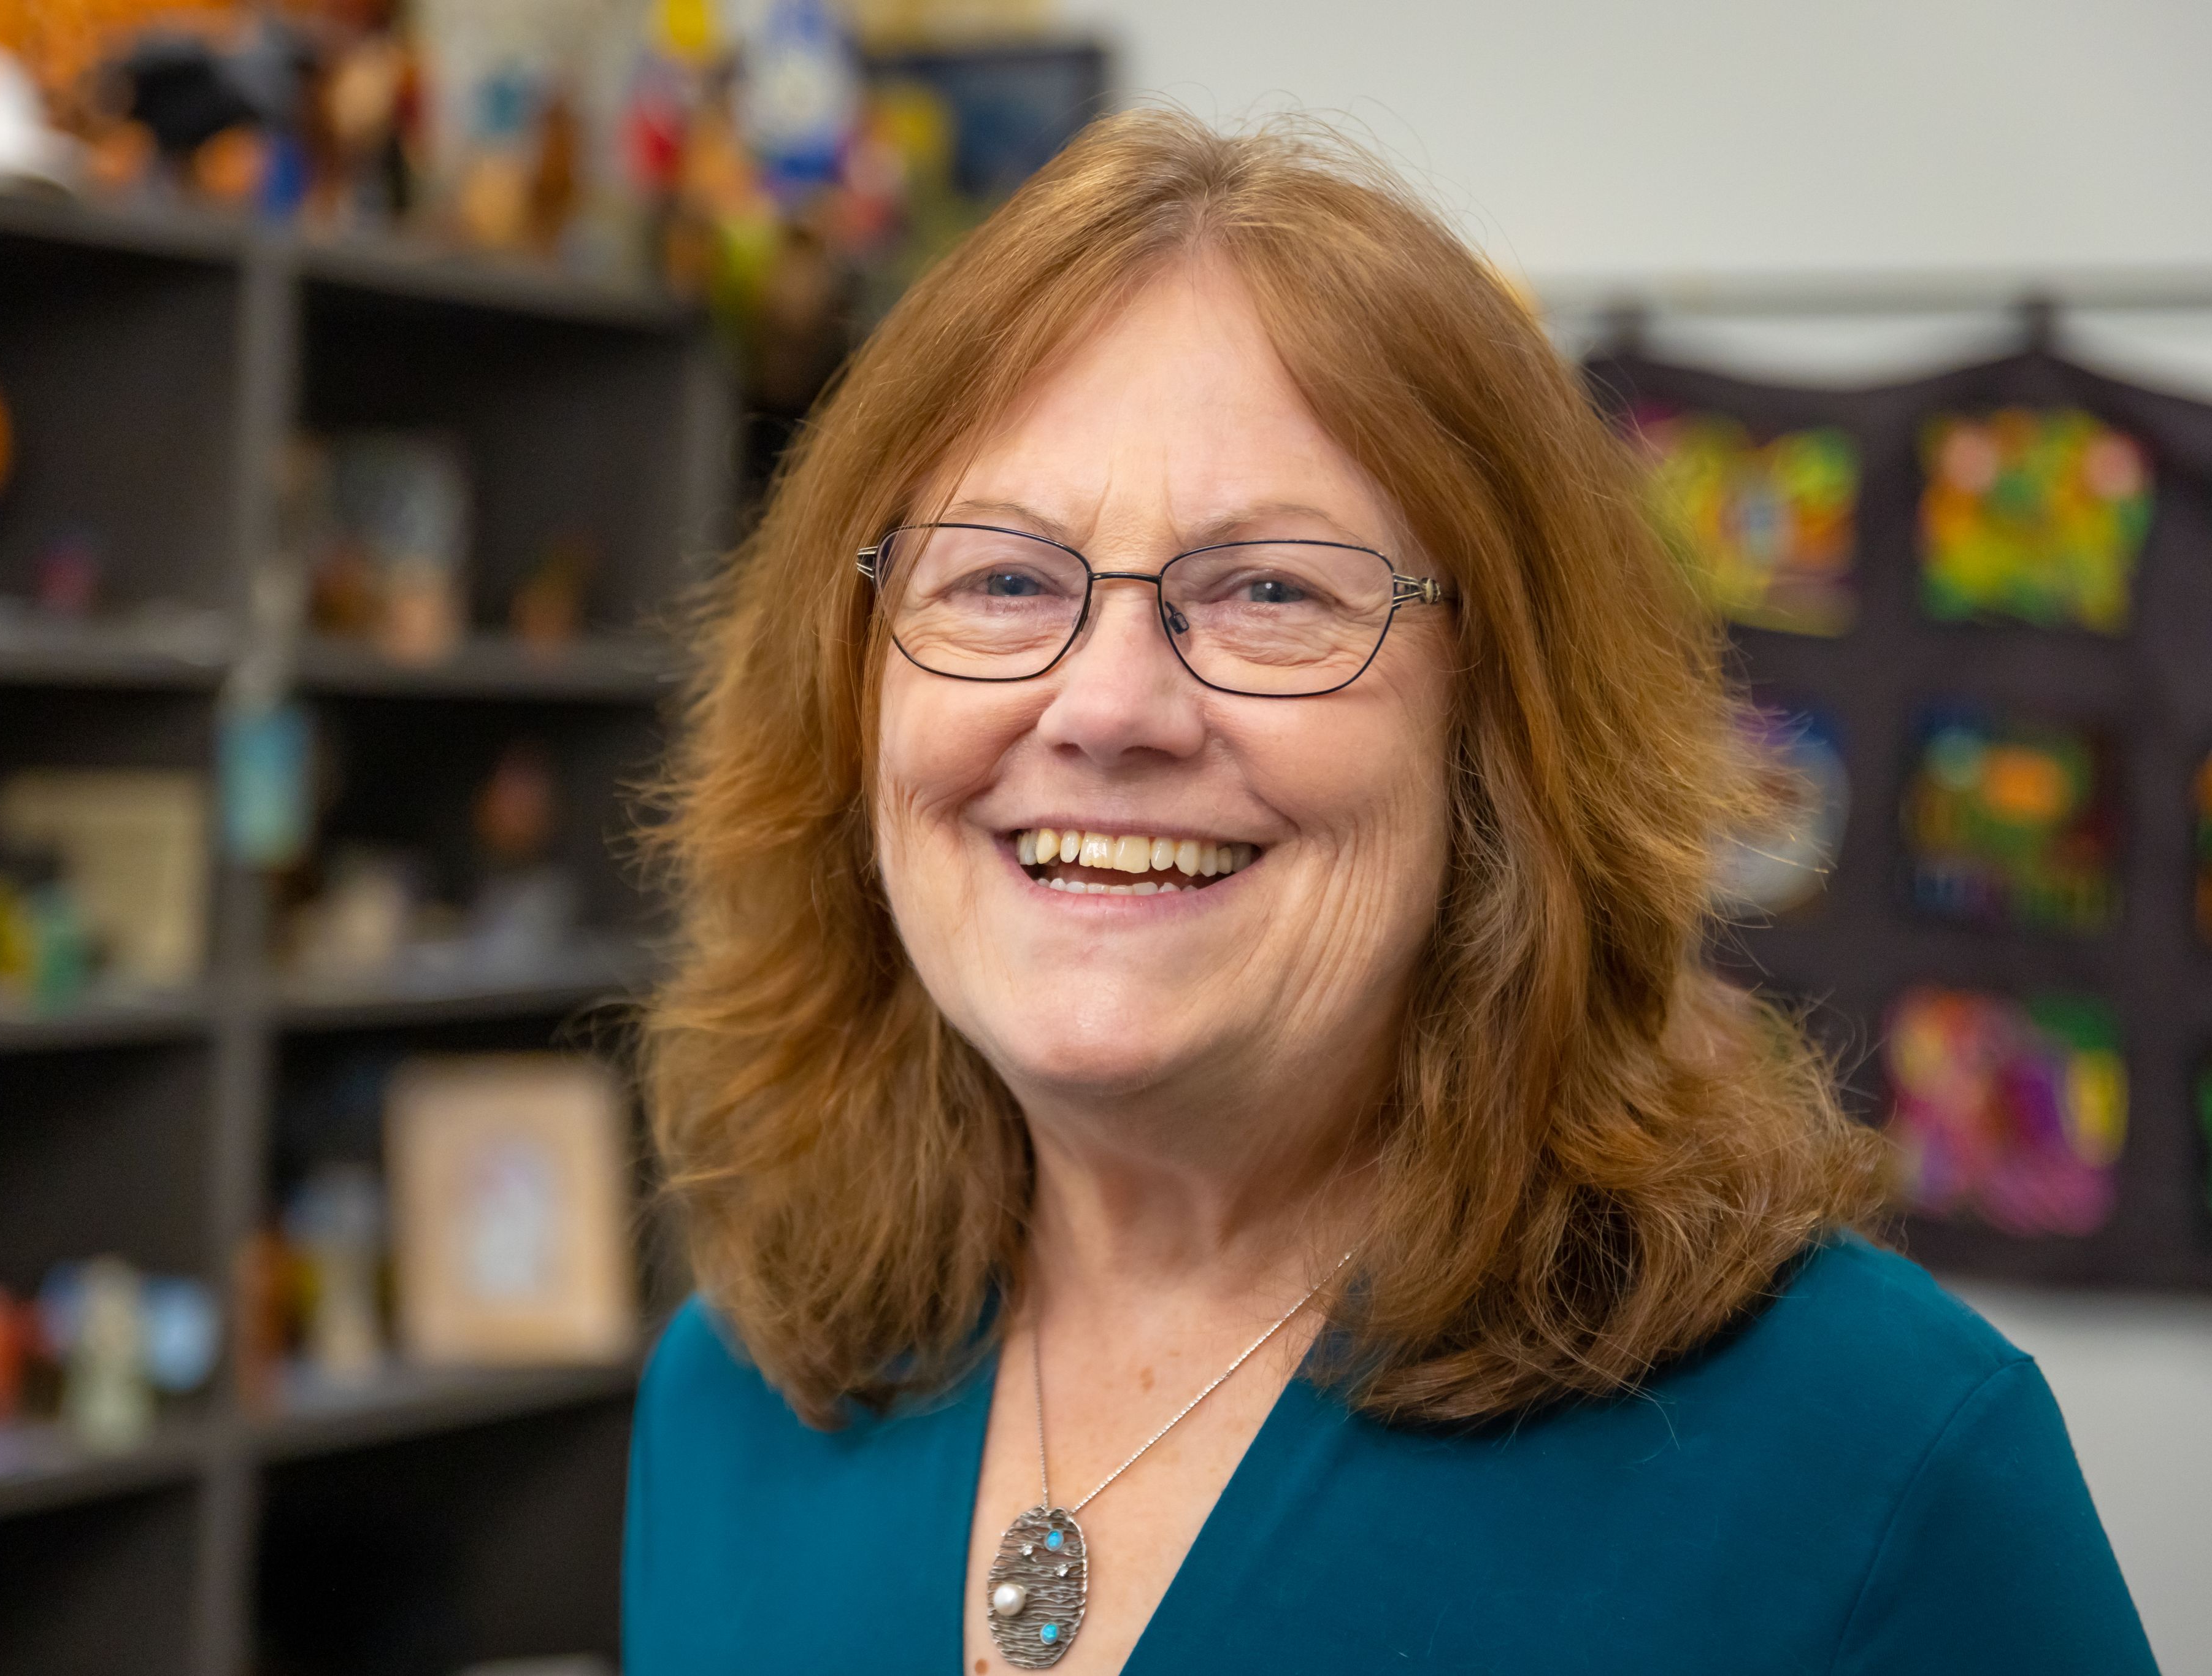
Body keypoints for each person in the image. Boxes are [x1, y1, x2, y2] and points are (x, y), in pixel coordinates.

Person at [622, 110, 2156, 1675]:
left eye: (1270, 589)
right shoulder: (735, 1397)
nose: (1107, 707)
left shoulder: (1873, 1461)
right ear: (850, 695)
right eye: (1002, 579)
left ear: (1498, 731)